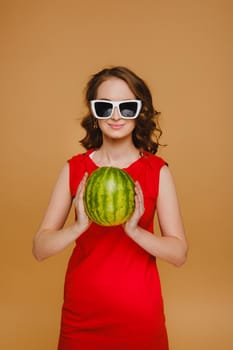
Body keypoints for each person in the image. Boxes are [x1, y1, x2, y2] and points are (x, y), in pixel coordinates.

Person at [33, 66, 188, 350]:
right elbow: (40, 248)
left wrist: (136, 232)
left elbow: (179, 253)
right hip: (82, 318)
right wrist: (78, 226)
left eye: (126, 107)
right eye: (105, 107)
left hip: (141, 318)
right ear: (94, 113)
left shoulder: (157, 171)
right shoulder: (74, 169)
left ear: (140, 112)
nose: (115, 116)